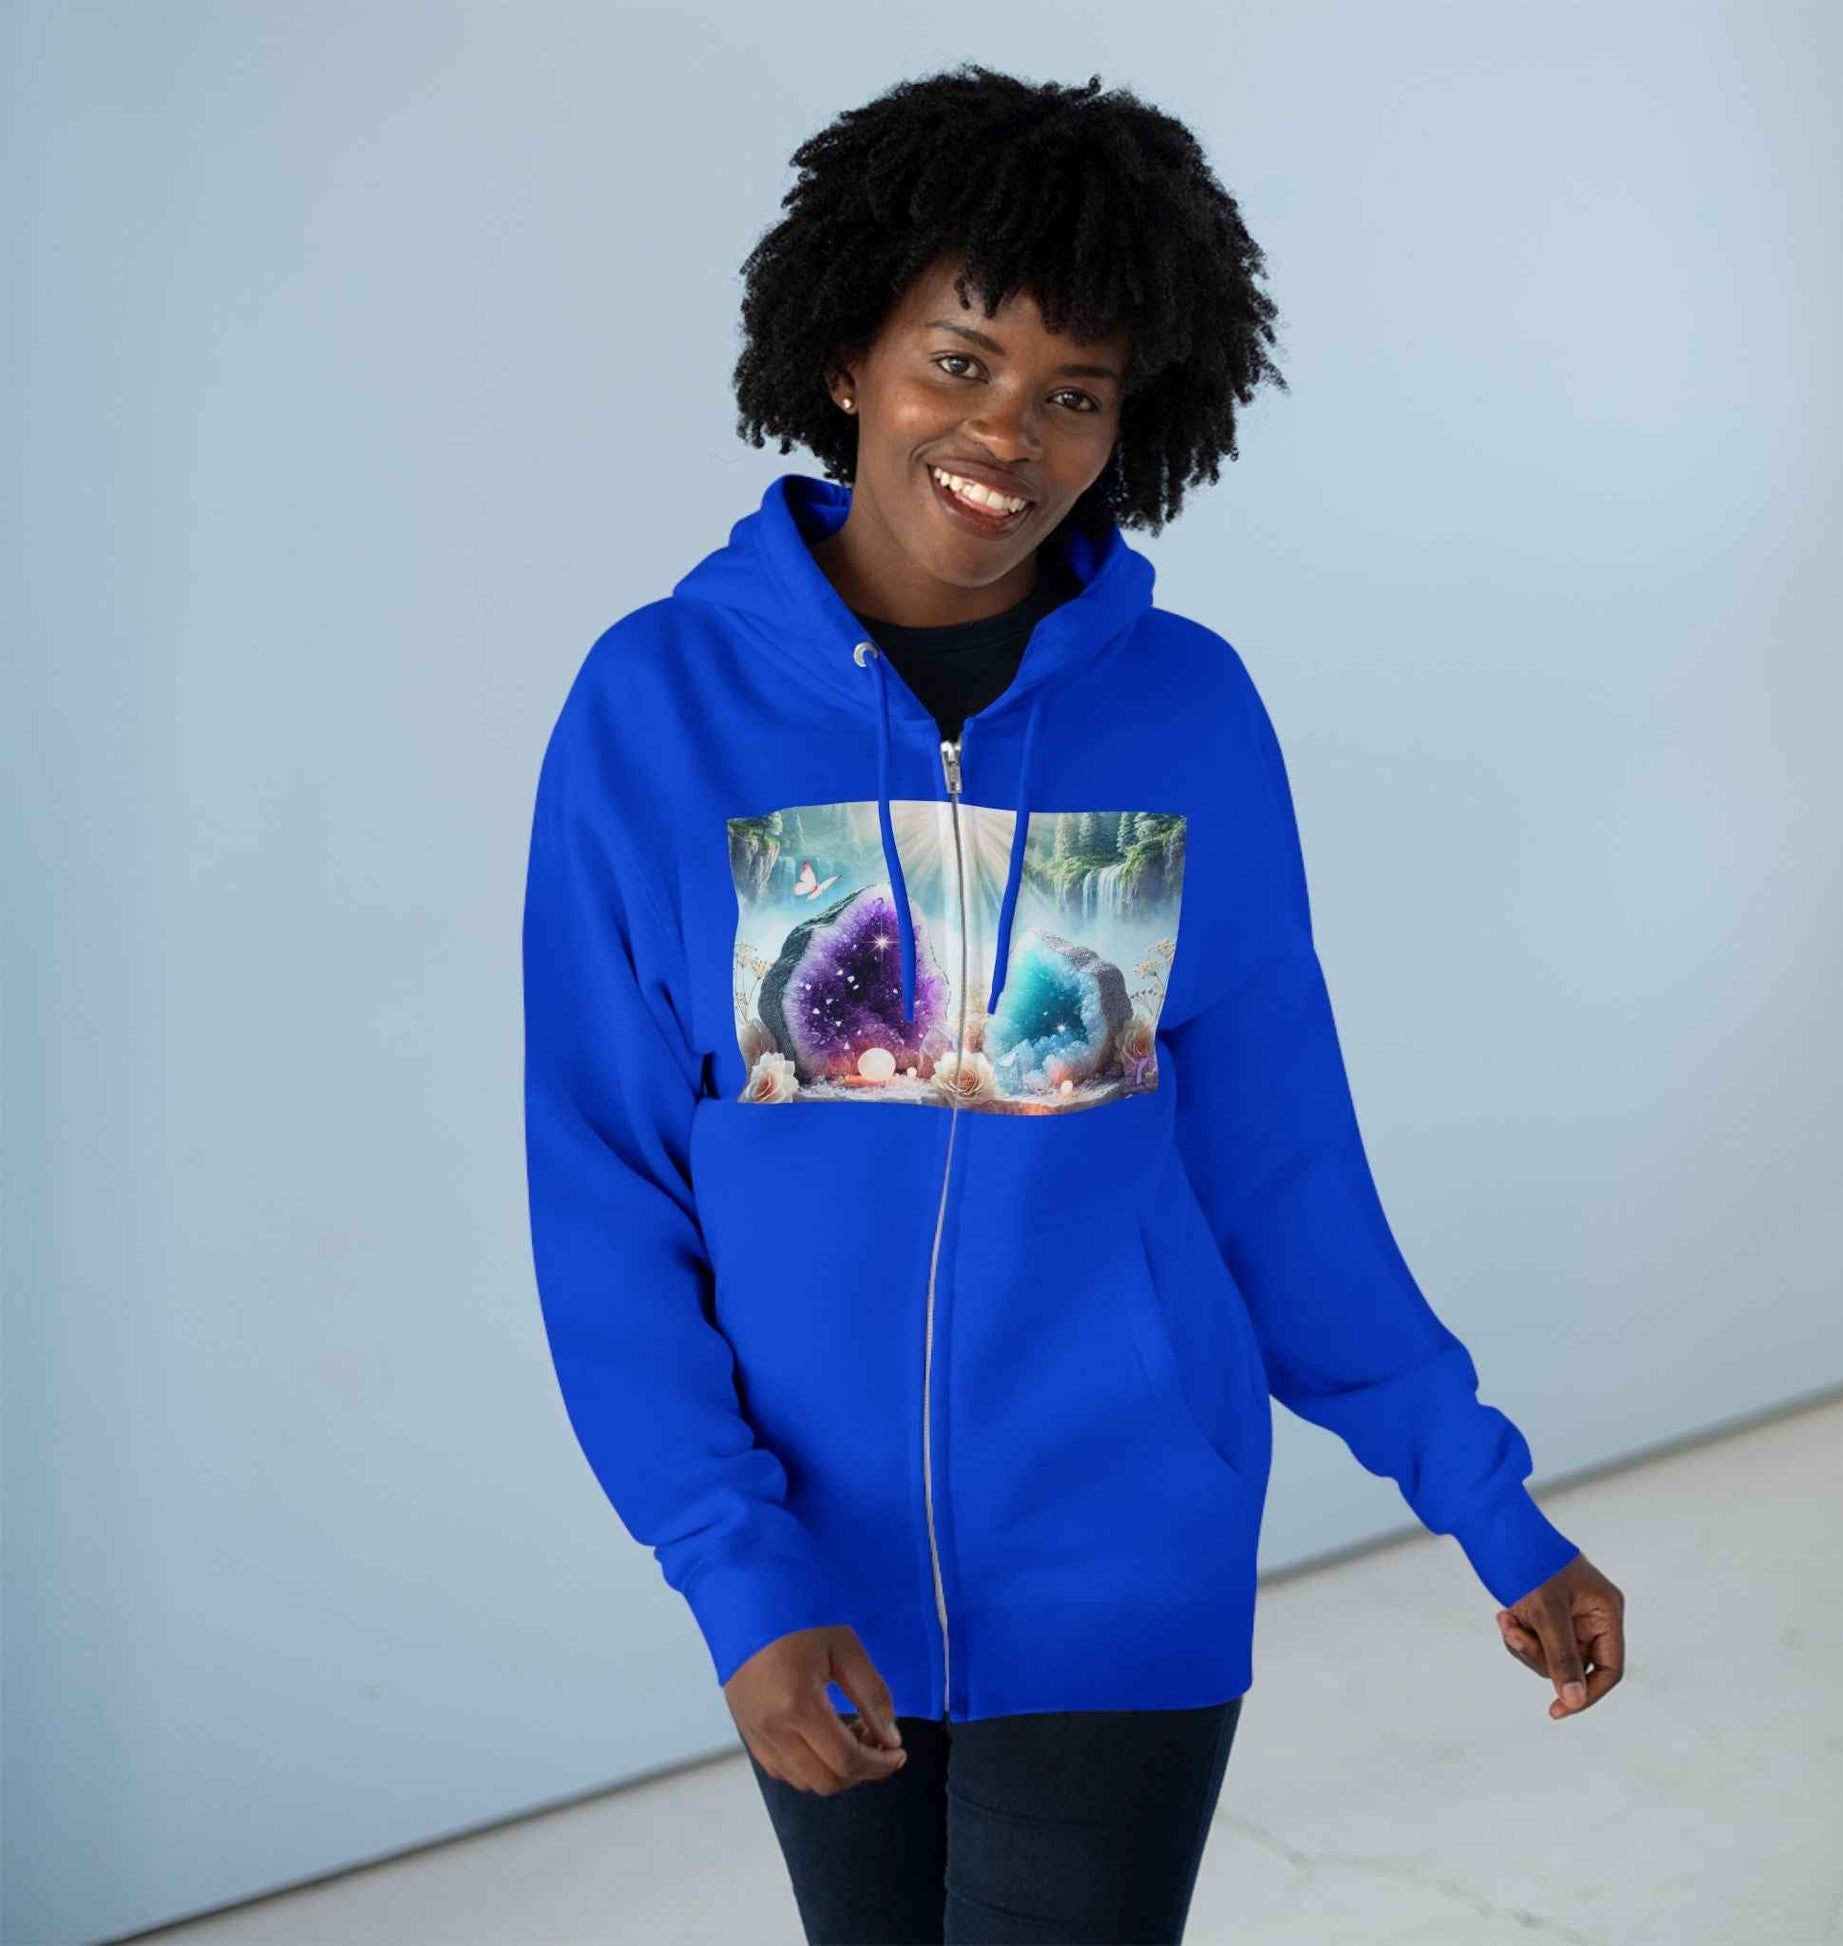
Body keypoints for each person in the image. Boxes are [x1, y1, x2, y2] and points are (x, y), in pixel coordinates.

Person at [521, 63, 1626, 1946]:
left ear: (1136, 422)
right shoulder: (658, 706)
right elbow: (608, 1187)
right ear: (848, 353)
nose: (1005, 433)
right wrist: (734, 1564)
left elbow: (1278, 1164)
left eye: (1073, 393)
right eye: (958, 361)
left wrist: (1483, 1493)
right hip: (812, 1566)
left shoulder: (1184, 712)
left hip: (1126, 1548)